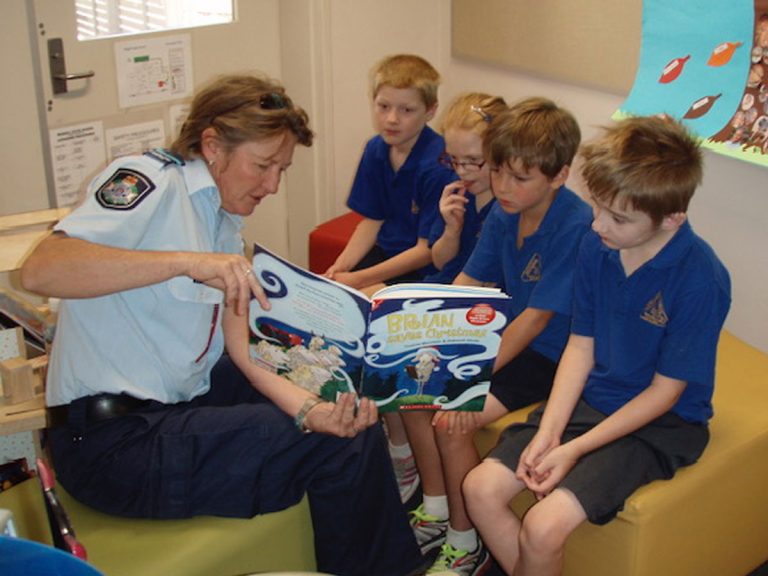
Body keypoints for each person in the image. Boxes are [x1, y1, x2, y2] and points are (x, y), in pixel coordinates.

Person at [20, 73, 423, 576]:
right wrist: (186, 262)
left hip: (179, 401)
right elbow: (43, 268)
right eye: (262, 166)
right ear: (212, 145)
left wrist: (311, 411)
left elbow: (245, 354)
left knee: (332, 398)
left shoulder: (224, 223)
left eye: (282, 169)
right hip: (112, 443)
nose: (272, 185)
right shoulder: (150, 182)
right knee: (331, 446)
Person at [462, 116, 731, 576]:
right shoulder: (596, 244)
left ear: (672, 217)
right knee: (480, 488)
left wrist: (575, 448)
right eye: (598, 207)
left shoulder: (701, 277)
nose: (599, 224)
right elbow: (580, 348)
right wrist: (551, 429)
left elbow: (665, 393)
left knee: (543, 527)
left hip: (661, 423)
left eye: (618, 217)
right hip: (597, 400)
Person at [402, 97, 593, 575]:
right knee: (412, 388)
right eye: (500, 171)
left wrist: (470, 377)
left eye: (520, 177)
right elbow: (467, 283)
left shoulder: (574, 225)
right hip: (507, 335)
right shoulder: (507, 211)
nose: (502, 187)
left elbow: (537, 320)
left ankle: (467, 545)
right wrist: (425, 330)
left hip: (550, 357)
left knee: (452, 416)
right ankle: (437, 508)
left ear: (559, 175)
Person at [324, 54, 457, 504]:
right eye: (383, 106)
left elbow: (425, 251)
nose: (392, 118)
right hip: (388, 257)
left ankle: (401, 457)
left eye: (406, 110)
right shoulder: (376, 150)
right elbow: (370, 221)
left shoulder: (437, 165)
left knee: (379, 334)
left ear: (431, 111)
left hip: (426, 270)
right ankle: (389, 443)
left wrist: (359, 278)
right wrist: (338, 271)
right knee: (339, 310)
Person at [424, 92, 507, 285]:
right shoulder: (456, 189)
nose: (461, 171)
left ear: (501, 151)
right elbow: (439, 261)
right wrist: (452, 230)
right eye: (453, 158)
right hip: (440, 287)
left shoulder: (509, 204)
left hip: (472, 303)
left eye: (473, 160)